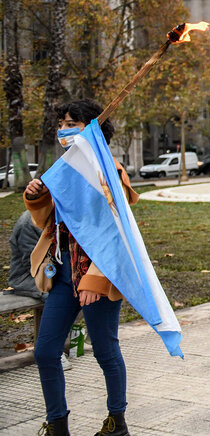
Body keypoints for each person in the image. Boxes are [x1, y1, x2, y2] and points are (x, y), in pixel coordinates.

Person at [24, 99, 134, 436]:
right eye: (60, 124)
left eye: (70, 123)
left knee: (105, 350)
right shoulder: (61, 171)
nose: (62, 130)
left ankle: (117, 423)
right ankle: (57, 425)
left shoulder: (109, 171)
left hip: (96, 276)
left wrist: (94, 279)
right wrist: (36, 197)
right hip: (61, 274)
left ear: (91, 129)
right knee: (45, 352)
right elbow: (50, 222)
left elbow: (115, 233)